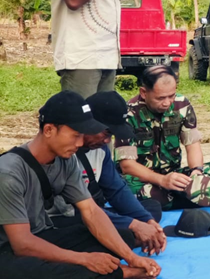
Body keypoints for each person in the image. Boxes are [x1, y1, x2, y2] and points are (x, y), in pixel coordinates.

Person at [0, 91, 160, 279]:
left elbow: (91, 211)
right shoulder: (8, 172)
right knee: (48, 270)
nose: (80, 142)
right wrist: (84, 259)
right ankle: (121, 274)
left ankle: (115, 271)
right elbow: (22, 244)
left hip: (42, 235)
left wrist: (131, 257)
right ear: (49, 130)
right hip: (9, 248)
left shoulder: (66, 160)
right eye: (75, 135)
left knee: (123, 237)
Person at [50, 92, 166, 256]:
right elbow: (78, 211)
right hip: (66, 216)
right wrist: (132, 224)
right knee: (123, 234)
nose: (107, 141)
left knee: (151, 209)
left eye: (111, 136)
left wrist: (147, 221)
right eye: (106, 133)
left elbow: (116, 189)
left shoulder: (101, 149)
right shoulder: (64, 152)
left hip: (93, 209)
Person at [115, 65, 210, 209]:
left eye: (171, 96)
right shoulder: (129, 113)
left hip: (172, 175)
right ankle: (195, 198)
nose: (167, 103)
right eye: (160, 98)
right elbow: (127, 165)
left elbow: (193, 146)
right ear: (144, 92)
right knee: (128, 190)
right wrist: (162, 180)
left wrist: (196, 173)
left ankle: (177, 198)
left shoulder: (182, 105)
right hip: (141, 179)